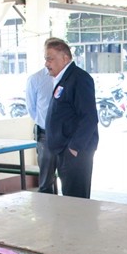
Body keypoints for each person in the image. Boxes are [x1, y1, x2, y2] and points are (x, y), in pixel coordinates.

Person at [43, 38, 99, 199]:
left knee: (77, 202)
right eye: (46, 59)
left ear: (65, 58)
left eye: (50, 58)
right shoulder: (64, 78)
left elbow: (89, 117)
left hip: (75, 152)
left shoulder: (79, 78)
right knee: (69, 199)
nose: (47, 63)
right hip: (63, 150)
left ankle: (80, 225)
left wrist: (74, 148)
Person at [25, 64, 57, 194]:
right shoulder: (36, 79)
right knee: (46, 182)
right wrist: (45, 123)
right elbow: (32, 109)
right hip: (45, 134)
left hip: (67, 136)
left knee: (69, 180)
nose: (49, 61)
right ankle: (47, 212)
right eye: (48, 57)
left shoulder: (69, 78)